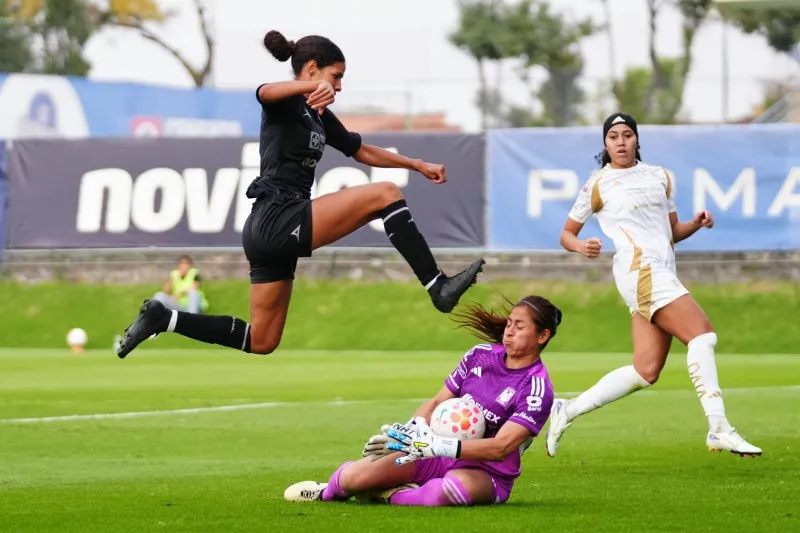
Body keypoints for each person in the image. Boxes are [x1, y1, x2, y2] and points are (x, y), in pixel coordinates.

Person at [114, 31, 484, 359]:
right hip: (277, 217)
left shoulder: (320, 115)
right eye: (335, 77)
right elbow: (264, 92)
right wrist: (308, 89)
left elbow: (361, 150)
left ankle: (166, 318)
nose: (338, 87)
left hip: (270, 229)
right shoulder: (285, 101)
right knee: (385, 194)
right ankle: (437, 286)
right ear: (311, 69)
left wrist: (416, 164)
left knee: (262, 340)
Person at [546, 112, 761, 457]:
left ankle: (566, 410)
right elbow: (566, 234)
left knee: (646, 371)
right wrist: (581, 246)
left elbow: (671, 232)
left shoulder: (661, 177)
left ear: (637, 140)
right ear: (605, 143)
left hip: (661, 271)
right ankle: (719, 428)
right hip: (638, 271)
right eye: (613, 136)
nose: (620, 141)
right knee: (702, 336)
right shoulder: (598, 184)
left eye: (627, 135)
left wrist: (695, 224)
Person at [282, 295, 558, 506]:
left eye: (519, 326)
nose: (508, 331)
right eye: (509, 323)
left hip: (486, 472)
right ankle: (325, 493)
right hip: (432, 452)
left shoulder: (537, 388)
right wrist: (410, 432)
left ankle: (391, 496)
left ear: (542, 336)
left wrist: (438, 444)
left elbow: (500, 448)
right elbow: (437, 402)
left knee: (447, 491)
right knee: (354, 478)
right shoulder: (480, 355)